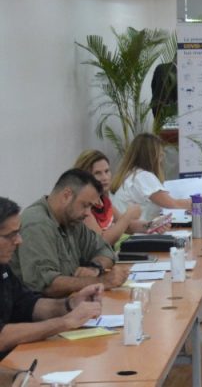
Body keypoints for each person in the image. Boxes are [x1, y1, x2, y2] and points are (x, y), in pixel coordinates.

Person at [0, 197, 103, 358]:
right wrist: (65, 322)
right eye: (10, 235)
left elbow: (28, 305)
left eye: (18, 233)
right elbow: (2, 337)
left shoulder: (3, 267)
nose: (19, 241)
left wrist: (71, 304)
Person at [11, 170, 129, 297]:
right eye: (85, 205)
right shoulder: (37, 224)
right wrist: (101, 281)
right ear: (66, 196)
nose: (88, 213)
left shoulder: (71, 220)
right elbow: (46, 285)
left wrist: (95, 268)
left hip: (69, 304)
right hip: (43, 312)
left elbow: (105, 250)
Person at [73, 150, 166, 247]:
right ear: (85, 176)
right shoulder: (82, 206)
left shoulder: (103, 200)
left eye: (107, 171)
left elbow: (127, 226)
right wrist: (128, 215)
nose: (105, 177)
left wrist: (153, 225)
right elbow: (102, 242)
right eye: (97, 173)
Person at [111, 133, 193, 221]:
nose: (163, 156)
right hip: (132, 232)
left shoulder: (134, 173)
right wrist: (197, 201)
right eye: (160, 153)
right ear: (152, 155)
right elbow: (173, 204)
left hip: (128, 229)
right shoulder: (143, 177)